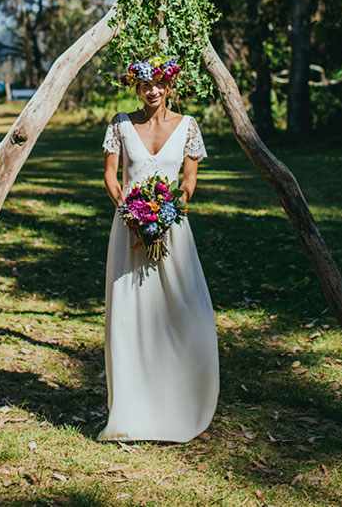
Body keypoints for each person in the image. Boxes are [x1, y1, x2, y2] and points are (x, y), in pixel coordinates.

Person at [98, 57, 219, 442]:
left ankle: (184, 398)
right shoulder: (120, 124)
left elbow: (189, 181)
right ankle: (132, 408)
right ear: (136, 87)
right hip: (128, 230)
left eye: (159, 84)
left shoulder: (188, 126)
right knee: (129, 311)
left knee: (185, 309)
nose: (152, 90)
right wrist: (130, 214)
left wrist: (167, 215)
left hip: (172, 229)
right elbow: (111, 176)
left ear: (169, 86)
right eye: (145, 84)